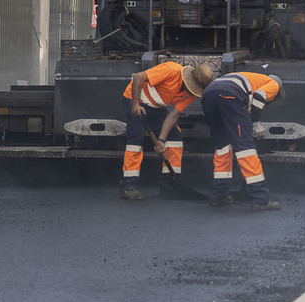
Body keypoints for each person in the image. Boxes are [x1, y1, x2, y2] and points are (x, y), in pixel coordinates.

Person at [120, 61, 214, 200]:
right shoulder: (171, 69)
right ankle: (128, 186)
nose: (190, 90)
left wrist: (161, 140)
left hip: (157, 107)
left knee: (175, 139)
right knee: (136, 140)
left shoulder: (191, 94)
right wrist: (135, 104)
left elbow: (173, 115)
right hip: (135, 99)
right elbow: (139, 77)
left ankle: (169, 185)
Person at [200, 72, 283, 210]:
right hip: (230, 96)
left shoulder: (249, 79)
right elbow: (260, 96)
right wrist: (255, 123)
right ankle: (261, 199)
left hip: (208, 96)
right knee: (246, 149)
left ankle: (219, 195)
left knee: (223, 147)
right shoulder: (273, 84)